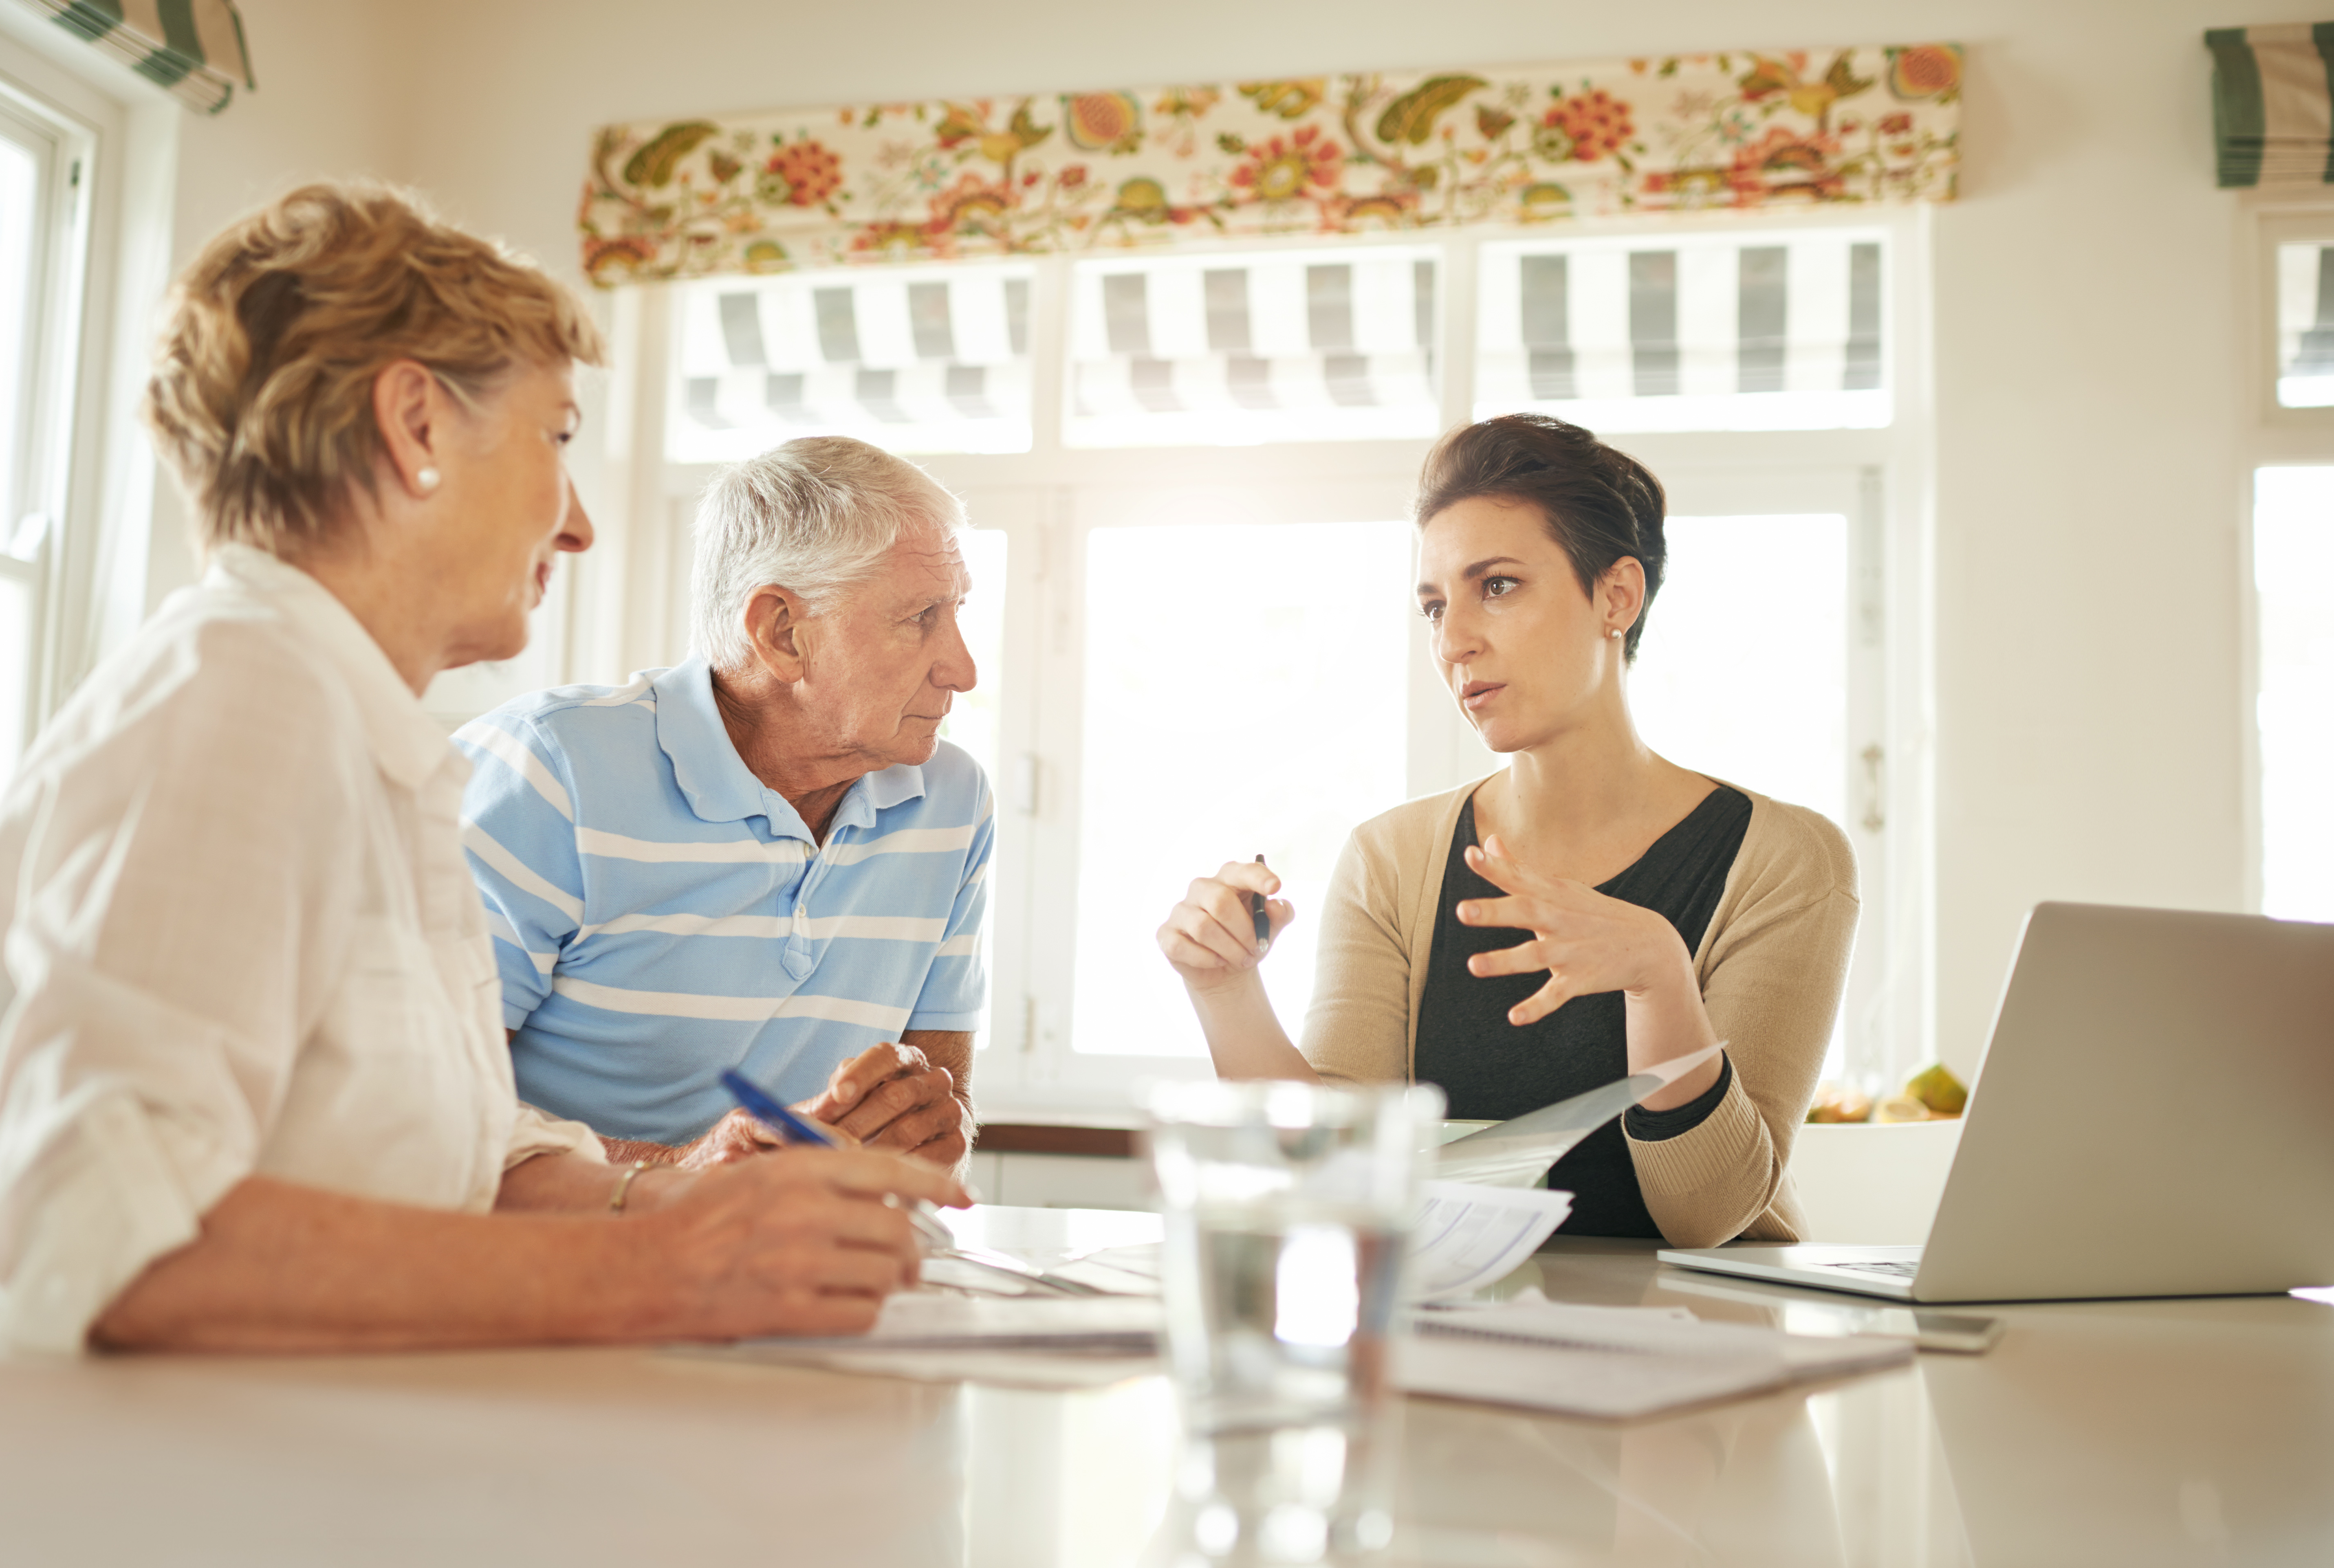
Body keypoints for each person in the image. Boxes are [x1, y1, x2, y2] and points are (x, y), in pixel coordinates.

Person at [0, 183, 962, 1356]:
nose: (578, 523)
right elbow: (99, 1235)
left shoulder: (359, 735)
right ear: (417, 426)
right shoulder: (240, 698)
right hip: (24, 1453)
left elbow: (449, 1158)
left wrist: (671, 1198)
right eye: (555, 438)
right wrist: (665, 1266)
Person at [1156, 414, 1856, 1246]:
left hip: (1710, 1320)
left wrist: (1659, 980)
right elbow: (1339, 1180)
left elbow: (1707, 1215)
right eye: (1433, 606)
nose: (1452, 642)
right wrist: (1224, 990)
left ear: (1616, 597)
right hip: (1458, 1317)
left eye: (1496, 586)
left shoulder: (1783, 860)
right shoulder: (1392, 859)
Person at [457, 436, 986, 1175]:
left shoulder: (951, 801)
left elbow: (942, 1109)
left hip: (800, 1247)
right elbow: (421, 1112)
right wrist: (680, 1176)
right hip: (551, 1243)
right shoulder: (547, 770)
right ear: (782, 633)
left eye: (957, 612)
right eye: (921, 617)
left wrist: (927, 1132)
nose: (963, 669)